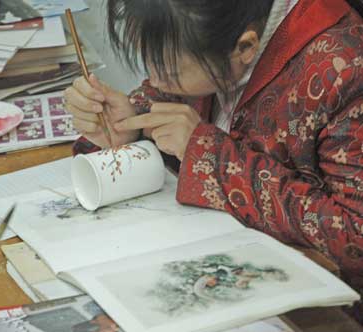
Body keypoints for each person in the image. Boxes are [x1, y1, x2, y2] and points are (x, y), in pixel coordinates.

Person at [64, 0, 363, 321]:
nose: (155, 79)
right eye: (148, 63)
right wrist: (131, 122)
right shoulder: (212, 28)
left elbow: (354, 235)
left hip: (314, 311)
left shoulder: (344, 70)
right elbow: (170, 93)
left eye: (169, 71)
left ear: (246, 47)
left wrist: (210, 156)